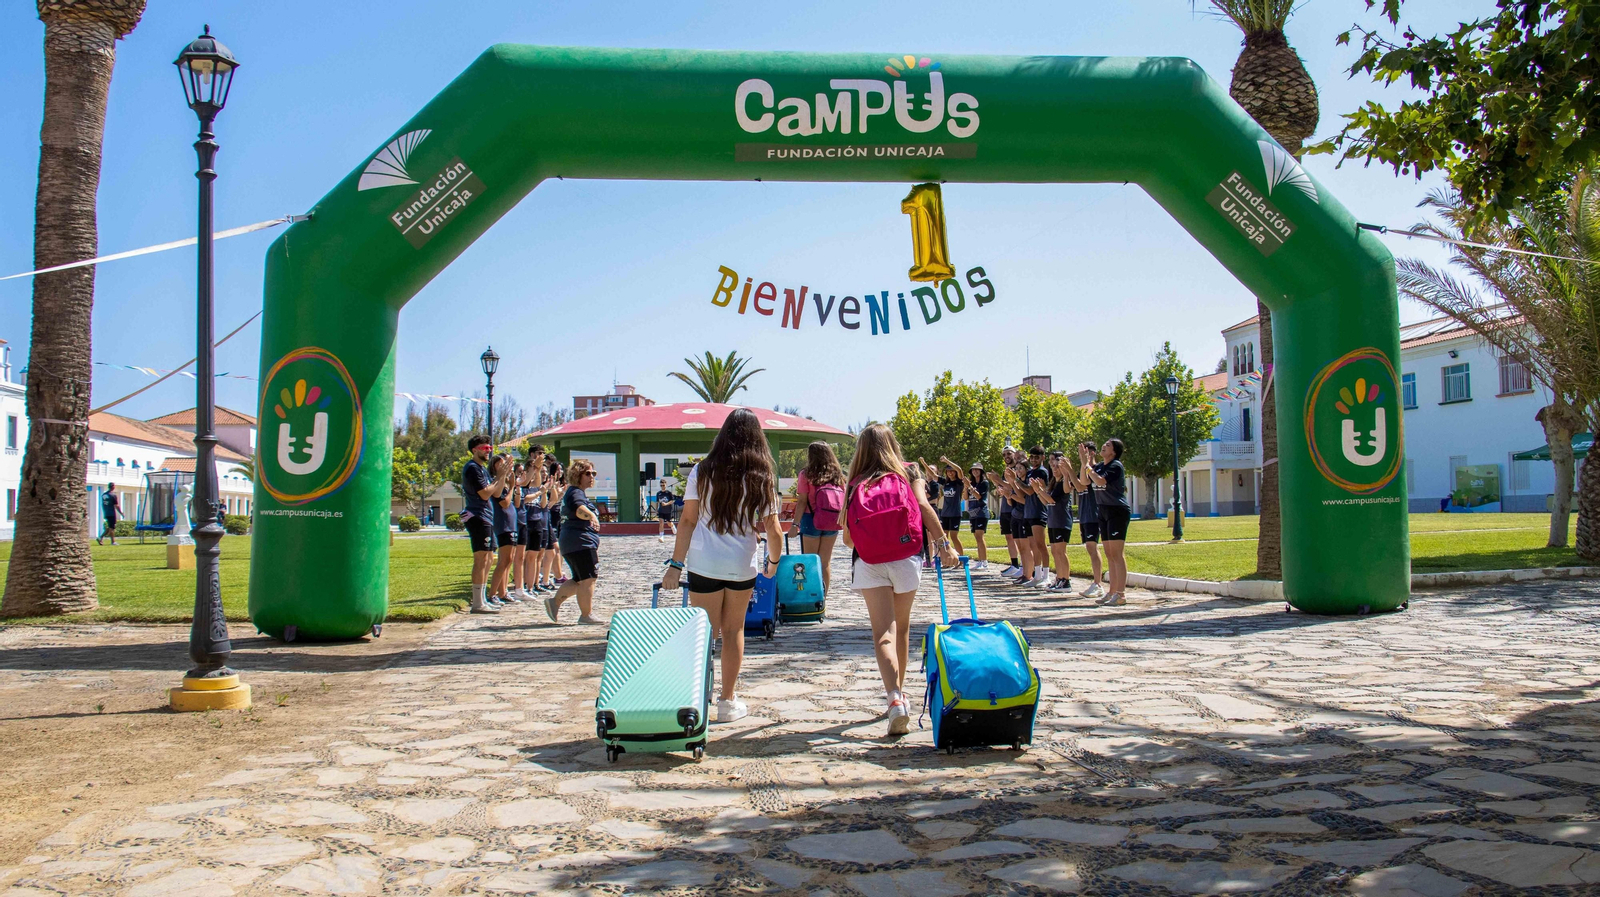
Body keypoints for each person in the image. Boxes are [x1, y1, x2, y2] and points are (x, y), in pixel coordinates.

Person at [661, 409, 783, 724]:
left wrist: (676, 565)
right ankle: (727, 701)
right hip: (742, 564)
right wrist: (772, 562)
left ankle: (697, 697)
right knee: (733, 630)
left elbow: (687, 520)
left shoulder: (701, 472)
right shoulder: (762, 476)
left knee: (704, 633)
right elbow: (774, 530)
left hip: (704, 563)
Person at [841, 424, 958, 736]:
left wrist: (873, 533)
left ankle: (894, 697)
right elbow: (922, 506)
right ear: (892, 445)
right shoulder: (909, 473)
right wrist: (945, 545)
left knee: (883, 633)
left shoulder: (855, 483)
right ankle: (901, 695)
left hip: (869, 563)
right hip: (906, 558)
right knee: (902, 628)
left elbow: (847, 540)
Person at [545, 459, 604, 624]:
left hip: (573, 543)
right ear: (577, 475)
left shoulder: (575, 492)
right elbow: (579, 509)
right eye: (587, 473)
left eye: (593, 473)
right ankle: (586, 615)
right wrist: (592, 516)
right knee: (589, 578)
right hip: (580, 542)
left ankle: (554, 603)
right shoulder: (576, 492)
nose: (591, 476)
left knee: (579, 579)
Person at [462, 435, 512, 613]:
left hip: (487, 516)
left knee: (489, 559)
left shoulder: (482, 470)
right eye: (484, 448)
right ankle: (477, 602)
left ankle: (482, 599)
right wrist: (499, 476)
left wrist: (503, 475)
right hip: (477, 516)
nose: (488, 451)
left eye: (489, 448)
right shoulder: (472, 468)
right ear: (474, 450)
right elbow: (484, 493)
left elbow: (496, 492)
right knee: (481, 559)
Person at [791, 441, 846, 595]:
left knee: (809, 562)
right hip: (832, 521)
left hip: (811, 519)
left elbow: (802, 502)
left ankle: (809, 596)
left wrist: (795, 525)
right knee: (825, 562)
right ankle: (823, 598)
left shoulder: (806, 474)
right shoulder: (838, 476)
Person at [1084, 438, 1131, 606]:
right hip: (1103, 510)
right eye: (1104, 444)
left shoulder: (1115, 466)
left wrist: (1088, 466)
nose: (1104, 446)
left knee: (1117, 554)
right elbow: (1085, 481)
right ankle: (1112, 592)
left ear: (1114, 452)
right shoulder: (1100, 467)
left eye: (1108, 445)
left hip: (1116, 510)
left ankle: (1121, 594)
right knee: (1109, 554)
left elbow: (1100, 481)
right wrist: (1085, 462)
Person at [1075, 441, 1107, 600]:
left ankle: (1098, 583)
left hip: (1095, 514)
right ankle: (1097, 583)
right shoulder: (1084, 468)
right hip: (1084, 514)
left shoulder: (1099, 468)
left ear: (1092, 453)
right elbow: (1082, 482)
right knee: (1089, 548)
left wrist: (1085, 463)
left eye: (1086, 452)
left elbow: (1086, 482)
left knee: (1092, 547)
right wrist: (1083, 464)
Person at [489, 454, 521, 606]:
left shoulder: (506, 483)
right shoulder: (497, 483)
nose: (506, 467)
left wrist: (513, 485)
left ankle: (503, 592)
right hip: (503, 525)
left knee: (509, 561)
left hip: (511, 523)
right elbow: (505, 503)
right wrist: (511, 487)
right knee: (504, 560)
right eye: (501, 464)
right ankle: (492, 593)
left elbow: (516, 502)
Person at [1044, 450, 1076, 591]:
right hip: (1052, 520)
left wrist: (1038, 490)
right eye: (1052, 467)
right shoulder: (1053, 482)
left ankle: (1066, 580)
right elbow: (1045, 500)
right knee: (1055, 551)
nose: (1054, 469)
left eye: (1057, 466)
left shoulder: (1064, 482)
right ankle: (1059, 578)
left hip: (1062, 520)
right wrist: (1039, 490)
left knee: (1061, 551)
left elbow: (1053, 499)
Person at [957, 462, 990, 569]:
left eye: (977, 469)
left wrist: (970, 486)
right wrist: (966, 487)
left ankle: (984, 561)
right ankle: (980, 560)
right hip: (973, 512)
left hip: (981, 511)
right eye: (973, 470)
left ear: (981, 471)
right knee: (976, 537)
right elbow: (966, 497)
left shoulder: (984, 483)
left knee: (980, 536)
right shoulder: (971, 483)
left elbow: (979, 496)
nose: (975, 471)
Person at [997, 448, 1021, 575]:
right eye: (1004, 454)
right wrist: (999, 488)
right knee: (1008, 537)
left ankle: (1023, 566)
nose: (1006, 456)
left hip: (1014, 507)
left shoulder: (1018, 469)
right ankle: (1014, 564)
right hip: (1005, 508)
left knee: (1018, 538)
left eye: (1009, 454)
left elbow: (1012, 486)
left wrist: (998, 481)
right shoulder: (1005, 471)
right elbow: (1003, 488)